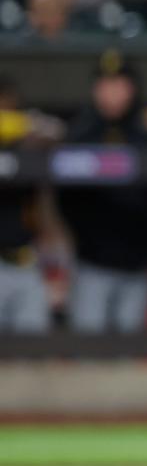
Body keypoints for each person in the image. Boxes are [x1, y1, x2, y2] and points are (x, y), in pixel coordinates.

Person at [57, 51, 147, 334]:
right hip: (92, 263)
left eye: (120, 85)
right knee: (87, 350)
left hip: (138, 264)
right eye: (105, 84)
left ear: (132, 88)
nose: (112, 93)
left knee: (130, 354)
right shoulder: (80, 133)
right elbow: (65, 201)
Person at [0, 76, 61, 334]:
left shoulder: (28, 143)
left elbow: (56, 131)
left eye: (6, 104)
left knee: (34, 347)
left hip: (26, 260)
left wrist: (26, 126)